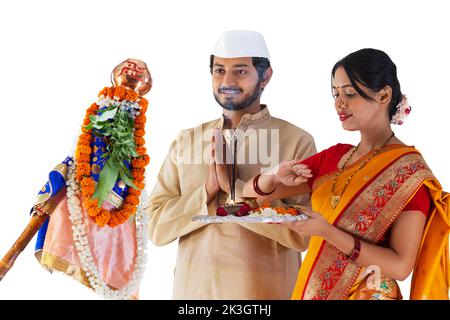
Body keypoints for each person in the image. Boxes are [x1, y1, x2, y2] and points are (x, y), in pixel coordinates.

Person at [243, 48, 449, 300]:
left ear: (384, 95)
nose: (339, 103)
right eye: (335, 93)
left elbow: (400, 266)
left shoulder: (408, 171)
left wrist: (327, 232)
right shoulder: (334, 157)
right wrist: (274, 175)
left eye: (350, 93)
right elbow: (250, 196)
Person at [146, 30, 316, 299]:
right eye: (219, 70)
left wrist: (235, 191)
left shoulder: (295, 141)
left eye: (240, 71)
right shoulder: (187, 140)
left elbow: (303, 235)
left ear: (266, 76)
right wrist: (207, 191)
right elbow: (155, 227)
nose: (227, 81)